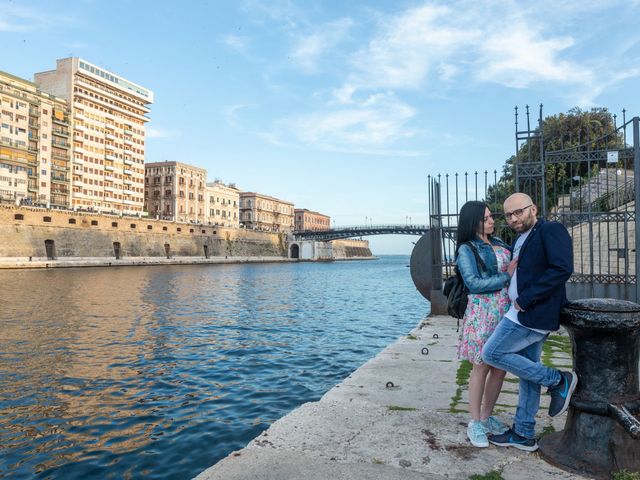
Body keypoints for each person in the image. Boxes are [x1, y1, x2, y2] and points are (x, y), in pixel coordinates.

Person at [482, 192, 576, 452]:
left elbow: (561, 268)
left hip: (530, 314)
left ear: (533, 208)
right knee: (527, 373)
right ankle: (523, 433)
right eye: (509, 215)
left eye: (518, 212)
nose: (513, 218)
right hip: (522, 312)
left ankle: (557, 380)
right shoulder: (521, 237)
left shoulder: (550, 229)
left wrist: (526, 298)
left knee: (491, 352)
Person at [455, 201, 517, 448]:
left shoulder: (501, 243)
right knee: (480, 367)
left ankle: (486, 416)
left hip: (504, 310)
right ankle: (474, 422)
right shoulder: (466, 249)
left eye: (492, 217)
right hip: (483, 312)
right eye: (487, 219)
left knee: (500, 367)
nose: (493, 221)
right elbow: (472, 283)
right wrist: (506, 277)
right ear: (474, 222)